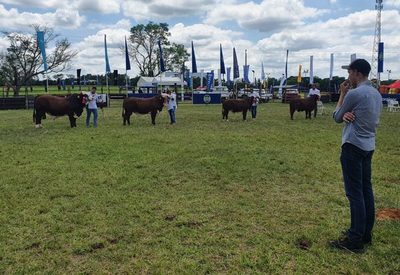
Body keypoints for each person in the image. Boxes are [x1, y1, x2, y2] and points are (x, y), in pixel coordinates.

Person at [330, 59, 382, 253]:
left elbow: (336, 116)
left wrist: (342, 94)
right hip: (369, 145)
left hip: (353, 145)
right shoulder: (375, 94)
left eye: (350, 72)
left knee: (355, 193)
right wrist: (347, 115)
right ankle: (365, 233)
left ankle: (354, 239)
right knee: (366, 190)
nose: (348, 77)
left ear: (357, 73)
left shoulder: (354, 93)